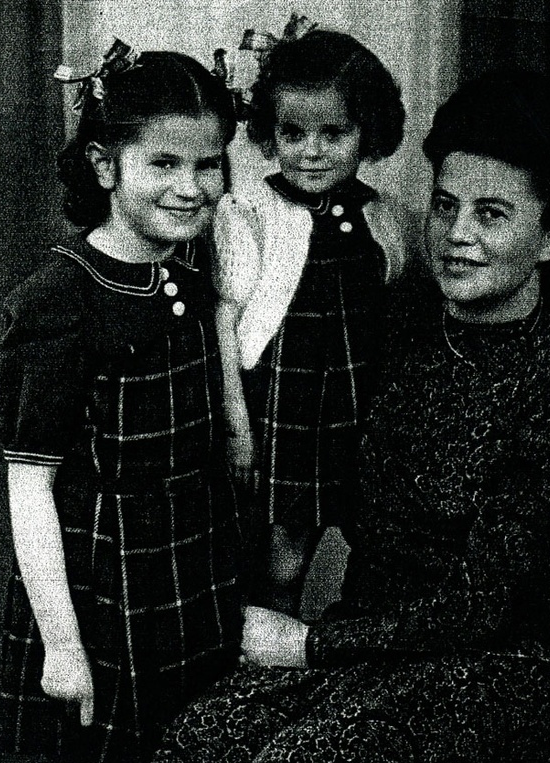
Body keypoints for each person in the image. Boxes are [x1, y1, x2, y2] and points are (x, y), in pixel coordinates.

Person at [114, 69, 550, 763]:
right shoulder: (402, 335)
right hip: (380, 642)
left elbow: (481, 605)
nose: (457, 234)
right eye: (447, 205)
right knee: (198, 735)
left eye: (492, 214)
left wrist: (309, 645)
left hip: (509, 670)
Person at [0, 41, 242, 763]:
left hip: (186, 569)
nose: (192, 186)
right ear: (105, 164)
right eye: (164, 161)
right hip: (103, 592)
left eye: (209, 164)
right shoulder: (61, 298)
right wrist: (63, 643)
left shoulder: (189, 268)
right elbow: (31, 486)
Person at [214, 26, 411, 615]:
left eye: (334, 133)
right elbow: (227, 321)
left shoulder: (385, 217)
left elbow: (398, 311)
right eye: (293, 133)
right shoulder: (249, 210)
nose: (311, 150)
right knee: (283, 558)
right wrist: (238, 426)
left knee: (376, 542)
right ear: (270, 134)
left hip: (362, 412)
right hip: (286, 412)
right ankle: (267, 669)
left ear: (367, 134)